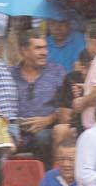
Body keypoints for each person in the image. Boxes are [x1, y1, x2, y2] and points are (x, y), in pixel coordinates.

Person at [12, 31, 66, 162]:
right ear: (24, 51)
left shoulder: (57, 72)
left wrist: (48, 120)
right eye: (38, 48)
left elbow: (67, 106)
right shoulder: (9, 75)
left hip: (46, 131)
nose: (44, 52)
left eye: (45, 47)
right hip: (16, 131)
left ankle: (44, 179)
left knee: (42, 138)